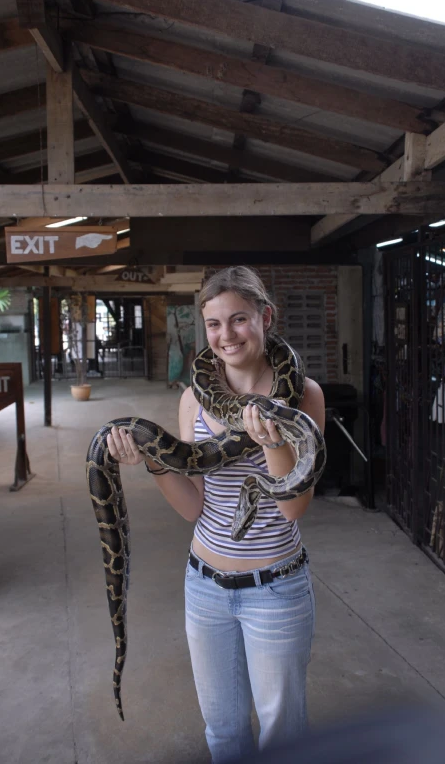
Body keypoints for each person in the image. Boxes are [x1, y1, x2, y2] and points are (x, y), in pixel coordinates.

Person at [107, 266, 325, 763]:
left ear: (266, 317)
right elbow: (193, 508)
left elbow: (293, 506)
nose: (226, 335)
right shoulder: (194, 398)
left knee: (283, 737)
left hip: (276, 589)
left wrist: (272, 441)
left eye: (240, 319)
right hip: (204, 587)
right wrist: (154, 462)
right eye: (214, 324)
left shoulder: (303, 395)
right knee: (223, 732)